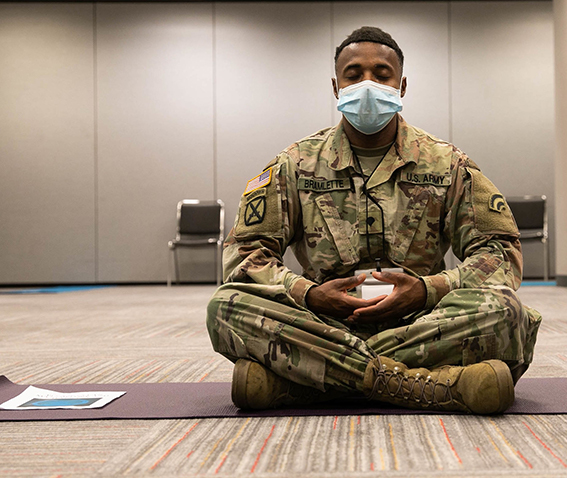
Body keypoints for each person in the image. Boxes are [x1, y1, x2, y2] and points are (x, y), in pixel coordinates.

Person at [206, 26, 542, 414]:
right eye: (354, 75)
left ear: (402, 85)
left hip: (421, 321)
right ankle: (431, 385)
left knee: (506, 311)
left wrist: (428, 289)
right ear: (336, 86)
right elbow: (246, 255)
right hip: (323, 321)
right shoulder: (295, 164)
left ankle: (307, 384)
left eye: (382, 75)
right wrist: (308, 294)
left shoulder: (448, 163)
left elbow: (500, 252)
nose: (367, 84)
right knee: (226, 305)